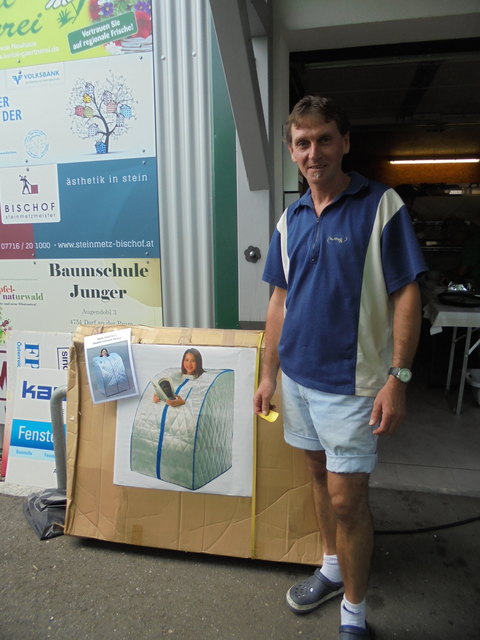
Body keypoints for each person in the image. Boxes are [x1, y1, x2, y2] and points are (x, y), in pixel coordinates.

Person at [253, 95, 427, 640]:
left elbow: (407, 294)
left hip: (352, 388)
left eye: (324, 139)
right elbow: (279, 300)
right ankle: (330, 567)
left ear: (344, 142)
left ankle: (354, 613)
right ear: (291, 151)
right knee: (315, 478)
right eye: (302, 143)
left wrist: (398, 378)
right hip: (299, 382)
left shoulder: (381, 206)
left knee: (347, 499)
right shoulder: (292, 215)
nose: (313, 152)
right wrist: (267, 373)